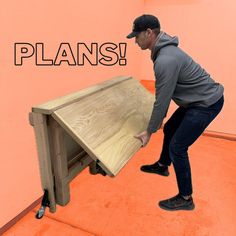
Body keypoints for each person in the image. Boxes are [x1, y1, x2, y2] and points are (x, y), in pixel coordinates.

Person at [127, 14, 224, 211]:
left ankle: (186, 198)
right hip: (196, 101)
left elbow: (162, 102)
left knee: (178, 147)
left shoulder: (166, 60)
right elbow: (163, 100)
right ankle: (163, 166)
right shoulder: (164, 52)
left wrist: (149, 131)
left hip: (206, 103)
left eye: (137, 36)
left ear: (149, 33)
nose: (135, 40)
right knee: (171, 127)